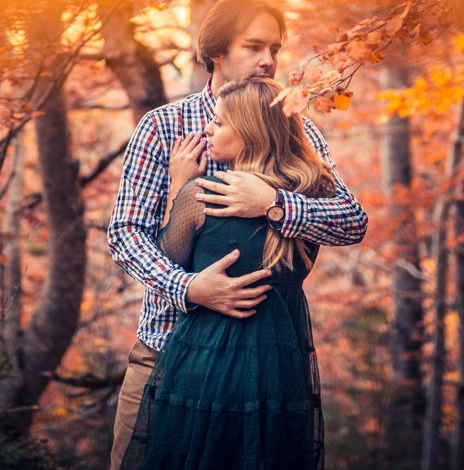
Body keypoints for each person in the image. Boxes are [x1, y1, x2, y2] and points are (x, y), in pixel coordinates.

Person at [107, 0, 367, 469]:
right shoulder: (164, 126)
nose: (268, 61)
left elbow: (351, 221)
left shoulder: (295, 128)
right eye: (253, 46)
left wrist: (275, 204)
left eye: (275, 48)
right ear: (217, 53)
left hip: (263, 370)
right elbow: (125, 235)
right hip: (166, 350)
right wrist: (190, 288)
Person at [121, 75, 331, 469]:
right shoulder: (309, 194)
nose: (207, 128)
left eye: (218, 123)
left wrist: (180, 187)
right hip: (280, 365)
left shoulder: (202, 194)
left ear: (250, 132)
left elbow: (170, 260)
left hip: (206, 357)